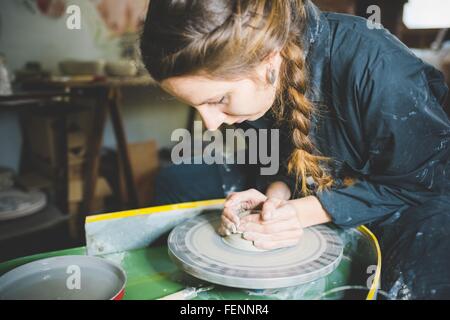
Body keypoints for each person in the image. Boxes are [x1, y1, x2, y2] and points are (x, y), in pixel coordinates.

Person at [140, 0, 450, 299]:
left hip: (412, 199)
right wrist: (274, 199)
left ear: (268, 61)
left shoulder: (378, 67)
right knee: (176, 180)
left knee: (406, 285)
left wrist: (301, 213)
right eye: (196, 106)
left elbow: (424, 181)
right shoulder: (252, 87)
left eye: (218, 100)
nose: (210, 124)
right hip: (319, 182)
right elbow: (281, 158)